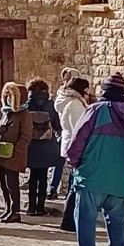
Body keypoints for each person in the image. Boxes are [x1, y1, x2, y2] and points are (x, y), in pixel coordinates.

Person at [65, 72, 124, 246]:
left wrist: (75, 162)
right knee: (118, 218)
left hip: (92, 173)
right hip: (120, 176)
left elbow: (78, 139)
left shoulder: (95, 110)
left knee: (85, 216)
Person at [0, 82, 32, 224]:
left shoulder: (24, 114)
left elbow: (26, 136)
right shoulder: (7, 112)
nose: (8, 97)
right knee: (3, 183)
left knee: (12, 184)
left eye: (11, 95)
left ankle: (15, 211)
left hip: (13, 156)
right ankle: (7, 208)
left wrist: (16, 152)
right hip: (2, 153)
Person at [56, 77, 92, 232]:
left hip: (70, 146)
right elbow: (79, 129)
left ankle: (70, 219)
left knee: (74, 184)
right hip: (76, 148)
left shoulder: (69, 102)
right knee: (75, 185)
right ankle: (68, 220)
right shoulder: (75, 105)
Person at [22, 78, 62, 216]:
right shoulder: (51, 105)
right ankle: (40, 207)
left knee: (32, 177)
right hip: (47, 145)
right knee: (43, 177)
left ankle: (31, 207)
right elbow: (57, 125)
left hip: (32, 145)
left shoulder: (27, 105)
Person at [48, 67, 80, 199]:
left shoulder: (63, 95)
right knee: (63, 162)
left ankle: (60, 189)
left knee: (68, 163)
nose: (65, 81)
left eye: (68, 78)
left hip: (65, 130)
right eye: (64, 78)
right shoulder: (69, 96)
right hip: (66, 131)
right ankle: (55, 188)